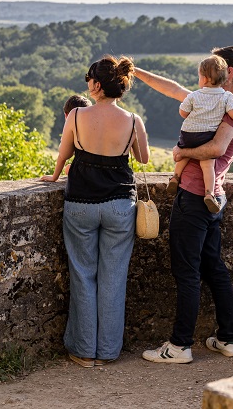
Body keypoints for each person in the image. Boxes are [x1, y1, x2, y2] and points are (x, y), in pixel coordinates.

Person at [135, 45, 233, 364]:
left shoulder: (232, 105)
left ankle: (179, 346)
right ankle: (228, 339)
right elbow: (174, 90)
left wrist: (182, 153)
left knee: (186, 271)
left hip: (196, 196)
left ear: (228, 73)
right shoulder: (213, 99)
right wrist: (136, 71)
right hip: (211, 195)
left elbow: (215, 149)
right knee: (213, 268)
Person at [41, 55, 149, 368]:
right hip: (119, 205)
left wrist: (55, 175)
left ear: (97, 84)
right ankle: (107, 353)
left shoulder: (75, 115)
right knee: (114, 278)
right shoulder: (133, 120)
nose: (87, 85)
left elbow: (64, 153)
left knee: (83, 275)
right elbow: (141, 159)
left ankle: (84, 350)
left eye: (90, 80)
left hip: (81, 205)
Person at [168, 55, 233, 213]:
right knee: (208, 164)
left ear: (204, 79)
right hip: (206, 135)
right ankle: (209, 193)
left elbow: (183, 112)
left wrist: (191, 114)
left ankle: (175, 177)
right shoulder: (226, 97)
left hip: (188, 133)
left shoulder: (195, 95)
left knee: (183, 155)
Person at [61, 95, 92, 176]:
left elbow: (63, 156)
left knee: (68, 168)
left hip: (85, 173)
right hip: (102, 172)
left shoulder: (73, 132)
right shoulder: (94, 129)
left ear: (66, 115)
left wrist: (54, 177)